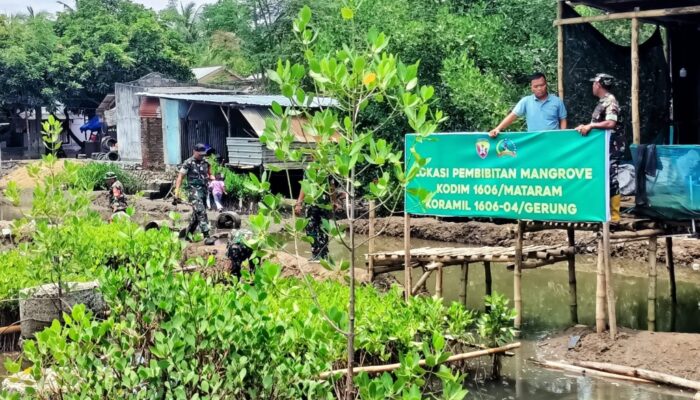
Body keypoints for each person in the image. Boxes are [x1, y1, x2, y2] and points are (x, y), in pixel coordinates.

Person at [575, 73, 625, 222]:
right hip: (602, 147)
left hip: (613, 146)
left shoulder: (610, 101)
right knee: (602, 176)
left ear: (599, 85)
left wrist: (591, 125)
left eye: (594, 83)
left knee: (611, 177)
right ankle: (604, 211)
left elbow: (610, 123)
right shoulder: (602, 102)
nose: (592, 86)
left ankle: (615, 215)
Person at [489, 72, 568, 137]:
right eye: (536, 86)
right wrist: (498, 129)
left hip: (553, 141)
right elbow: (512, 116)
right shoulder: (526, 101)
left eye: (542, 85)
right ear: (532, 88)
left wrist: (562, 136)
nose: (539, 88)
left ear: (546, 85)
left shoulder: (557, 101)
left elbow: (563, 119)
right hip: (533, 141)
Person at [174, 143, 216, 245]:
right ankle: (207, 237)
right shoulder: (188, 163)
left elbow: (210, 174)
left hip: (203, 191)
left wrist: (212, 177)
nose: (202, 156)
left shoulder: (206, 162)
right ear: (194, 151)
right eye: (200, 154)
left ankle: (188, 235)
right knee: (201, 212)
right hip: (193, 191)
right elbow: (180, 177)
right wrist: (177, 192)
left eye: (203, 154)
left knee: (197, 217)